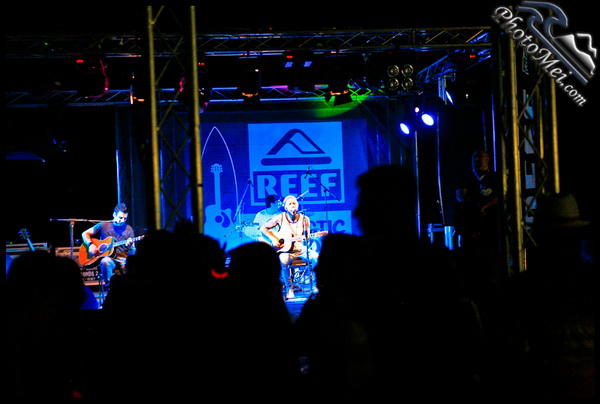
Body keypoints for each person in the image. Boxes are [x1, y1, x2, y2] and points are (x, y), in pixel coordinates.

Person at [261, 194, 318, 297]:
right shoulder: (280, 217)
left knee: (316, 257)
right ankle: (289, 288)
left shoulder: (305, 219)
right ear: (286, 207)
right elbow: (263, 228)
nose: (293, 206)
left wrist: (308, 237)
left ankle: (315, 286)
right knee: (283, 260)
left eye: (294, 203)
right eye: (290, 204)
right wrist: (274, 239)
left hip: (300, 249)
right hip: (286, 250)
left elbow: (307, 236)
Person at [81, 203, 137, 284]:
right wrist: (91, 244)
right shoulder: (104, 225)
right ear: (114, 215)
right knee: (105, 261)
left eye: (125, 219)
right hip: (109, 258)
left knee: (133, 265)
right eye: (120, 217)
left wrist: (130, 246)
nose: (122, 221)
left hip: (123, 259)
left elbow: (132, 253)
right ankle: (109, 286)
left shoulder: (129, 229)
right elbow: (85, 233)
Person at [455, 149, 500, 247]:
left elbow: (500, 196)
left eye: (479, 157)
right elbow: (460, 194)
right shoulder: (466, 176)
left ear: (487, 159)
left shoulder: (495, 176)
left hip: (491, 220)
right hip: (471, 220)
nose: (476, 159)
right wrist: (474, 208)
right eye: (474, 157)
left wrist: (484, 206)